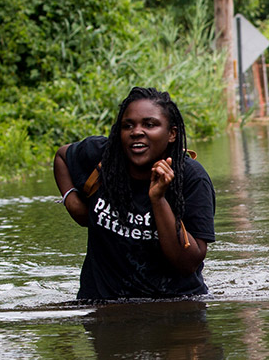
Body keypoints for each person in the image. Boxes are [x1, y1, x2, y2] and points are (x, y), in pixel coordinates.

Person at [53, 87, 216, 301]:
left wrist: (158, 199)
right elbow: (62, 156)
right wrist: (73, 204)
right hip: (101, 307)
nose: (136, 131)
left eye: (150, 124)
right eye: (127, 125)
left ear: (172, 134)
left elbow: (187, 264)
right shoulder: (103, 157)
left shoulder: (192, 179)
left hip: (174, 308)